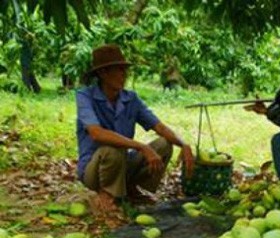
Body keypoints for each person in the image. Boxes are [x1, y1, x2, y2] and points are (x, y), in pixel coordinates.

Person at [76, 44, 194, 212]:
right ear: (103, 73)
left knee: (164, 144)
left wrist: (183, 144)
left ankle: (131, 188)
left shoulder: (130, 99)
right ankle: (106, 193)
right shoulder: (85, 97)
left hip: (124, 163)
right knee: (112, 149)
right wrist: (140, 146)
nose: (124, 75)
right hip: (94, 169)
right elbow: (96, 133)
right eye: (119, 70)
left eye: (125, 70)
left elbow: (158, 126)